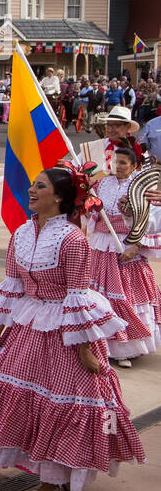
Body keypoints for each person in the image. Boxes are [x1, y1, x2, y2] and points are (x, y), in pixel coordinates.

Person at [0, 166, 146, 491]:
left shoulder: (74, 240)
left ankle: (53, 482)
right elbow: (13, 285)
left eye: (40, 186)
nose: (32, 190)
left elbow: (78, 296)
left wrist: (86, 352)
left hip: (67, 333)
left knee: (62, 400)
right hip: (29, 324)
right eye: (33, 185)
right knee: (14, 390)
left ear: (59, 197)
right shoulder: (21, 233)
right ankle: (42, 475)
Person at [86, 144, 161, 368]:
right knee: (97, 296)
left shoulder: (141, 187)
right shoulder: (102, 183)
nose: (117, 167)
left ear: (134, 166)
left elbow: (149, 221)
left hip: (125, 246)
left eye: (122, 163)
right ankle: (98, 345)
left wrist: (135, 245)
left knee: (124, 296)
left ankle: (124, 347)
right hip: (101, 246)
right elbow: (92, 212)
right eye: (114, 161)